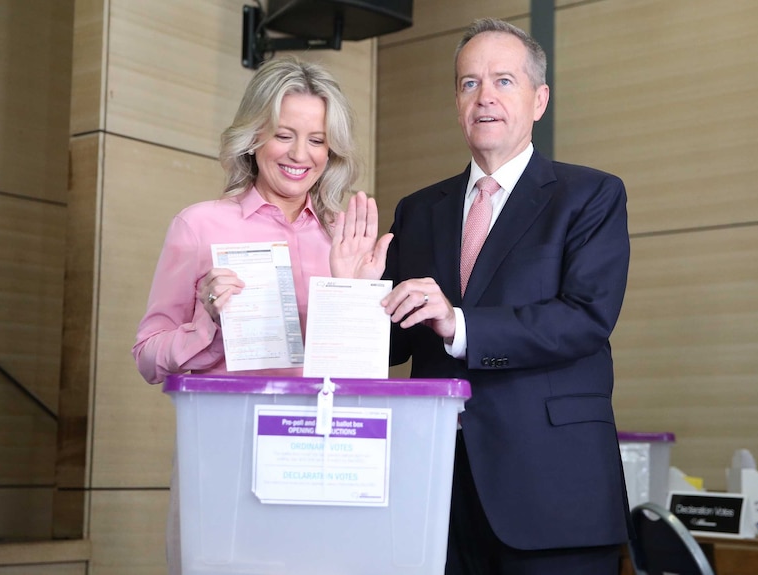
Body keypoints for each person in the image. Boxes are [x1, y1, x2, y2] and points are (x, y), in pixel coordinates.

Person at [379, 18, 632, 575]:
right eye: (470, 83)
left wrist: (459, 325)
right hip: (437, 490)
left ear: (540, 99)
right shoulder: (419, 211)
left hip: (551, 492)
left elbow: (585, 318)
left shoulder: (590, 195)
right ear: (456, 101)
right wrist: (352, 288)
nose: (484, 97)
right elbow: (391, 346)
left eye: (503, 81)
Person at [132, 56, 390, 573]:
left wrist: (351, 293)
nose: (301, 155)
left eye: (317, 139)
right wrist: (206, 320)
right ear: (253, 137)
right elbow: (147, 355)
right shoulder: (200, 225)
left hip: (321, 459)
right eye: (284, 135)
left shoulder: (345, 236)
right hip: (223, 454)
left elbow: (362, 378)